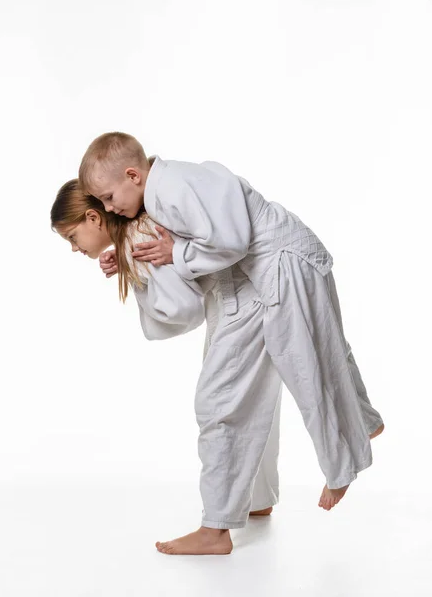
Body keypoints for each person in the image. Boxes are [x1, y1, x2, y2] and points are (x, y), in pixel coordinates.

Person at [76, 131, 384, 555]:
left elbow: (231, 240)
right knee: (239, 391)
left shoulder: (174, 185)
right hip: (256, 279)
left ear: (133, 175)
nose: (109, 208)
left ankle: (343, 459)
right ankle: (247, 503)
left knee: (308, 361)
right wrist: (131, 258)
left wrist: (174, 255)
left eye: (109, 198)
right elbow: (204, 254)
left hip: (282, 264)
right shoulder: (162, 194)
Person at [50, 179, 284, 555]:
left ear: (94, 217)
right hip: (250, 294)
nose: (76, 249)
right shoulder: (143, 224)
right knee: (254, 401)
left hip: (240, 306)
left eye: (73, 237)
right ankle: (257, 498)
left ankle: (216, 529)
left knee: (219, 407)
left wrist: (135, 276)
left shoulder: (137, 236)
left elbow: (181, 311)